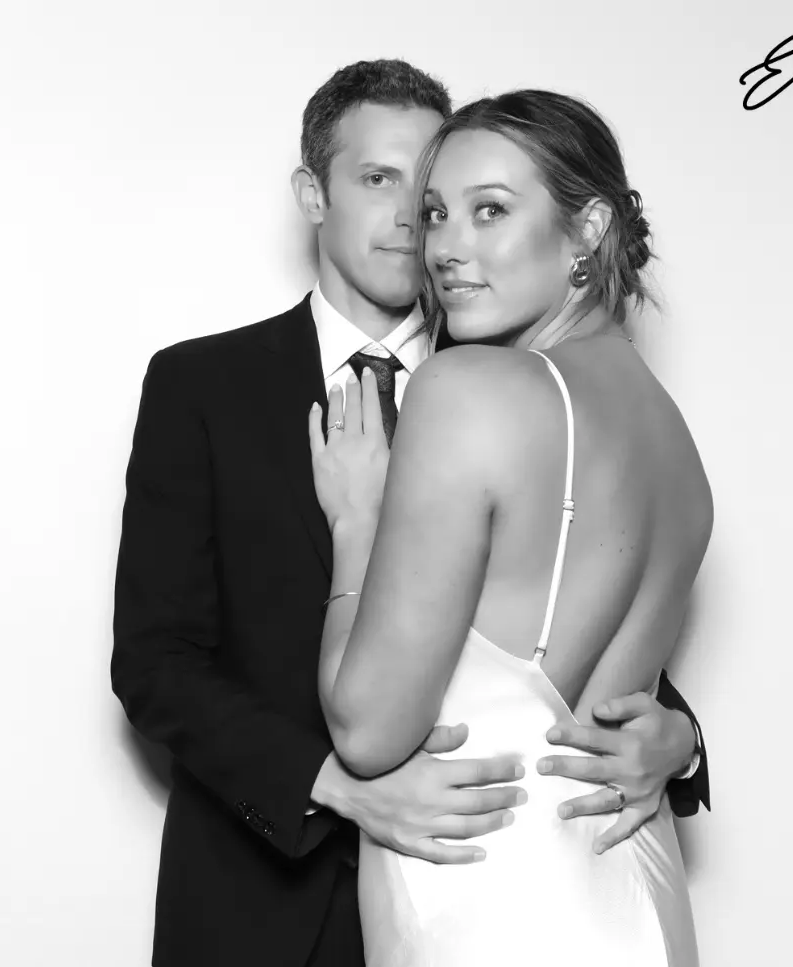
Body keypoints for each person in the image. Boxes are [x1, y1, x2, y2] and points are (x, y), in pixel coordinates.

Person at [111, 61, 707, 967]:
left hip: (490, 891)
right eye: (383, 182)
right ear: (313, 192)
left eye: (431, 188)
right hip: (266, 911)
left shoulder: (495, 384)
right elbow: (154, 662)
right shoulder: (202, 386)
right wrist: (336, 789)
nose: (417, 224)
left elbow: (567, 625)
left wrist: (683, 739)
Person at [311, 88, 711, 965]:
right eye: (436, 213)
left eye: (491, 211)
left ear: (590, 227)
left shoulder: (464, 390)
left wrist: (356, 522)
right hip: (632, 883)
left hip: (497, 900)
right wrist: (679, 745)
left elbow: (370, 730)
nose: (447, 246)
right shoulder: (676, 444)